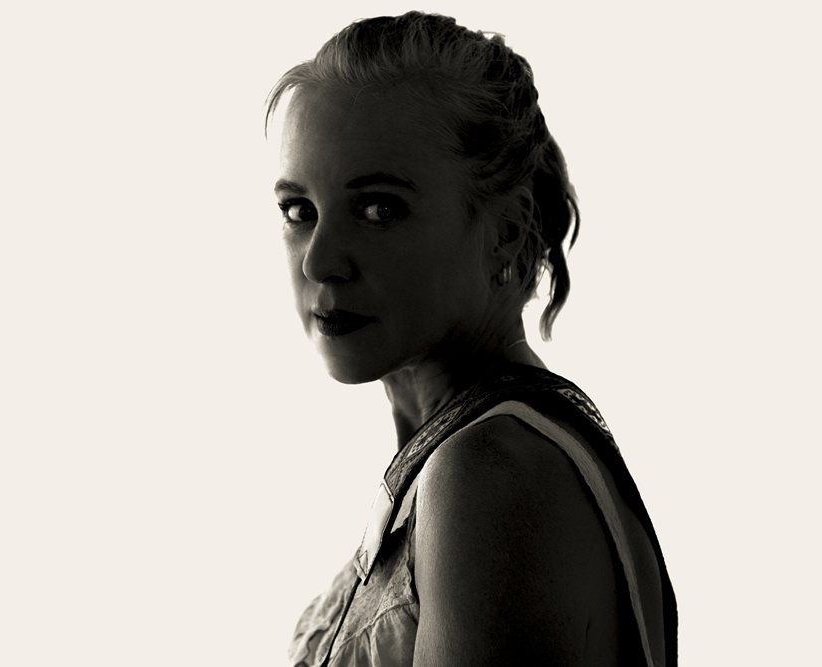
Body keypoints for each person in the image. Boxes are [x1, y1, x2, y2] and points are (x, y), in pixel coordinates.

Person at [266, 11, 676, 667]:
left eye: (378, 208)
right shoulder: (462, 463)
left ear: (505, 232)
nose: (319, 261)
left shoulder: (489, 473)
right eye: (299, 211)